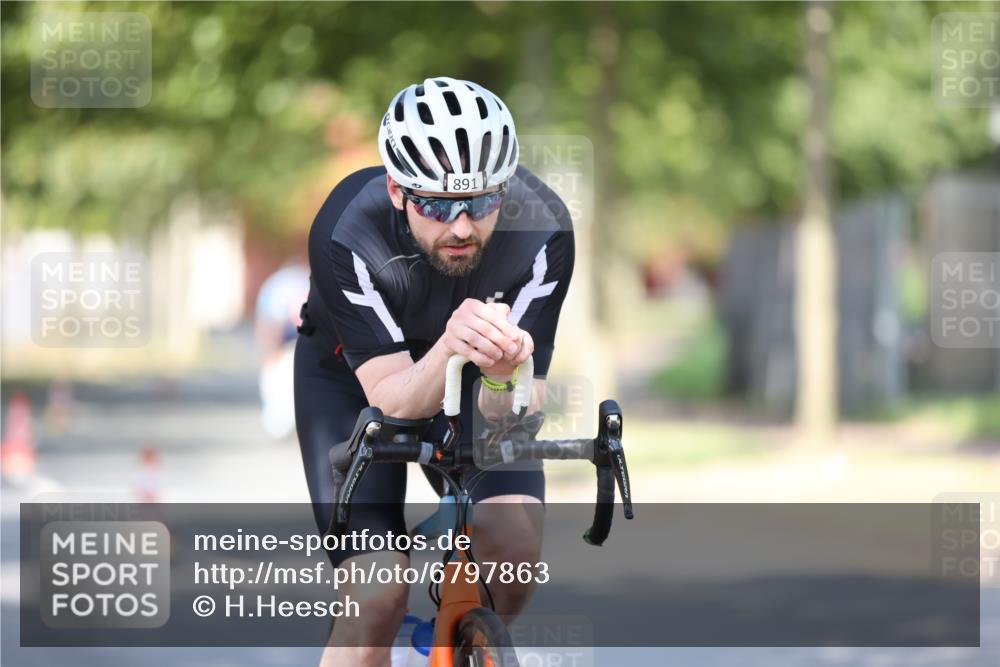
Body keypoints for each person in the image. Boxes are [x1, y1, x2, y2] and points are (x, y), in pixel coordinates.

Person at [294, 76, 574, 666]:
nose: (463, 226)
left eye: (482, 201)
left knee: (515, 548)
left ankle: (460, 635)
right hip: (355, 381)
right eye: (437, 204)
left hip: (473, 377)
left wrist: (504, 378)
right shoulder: (348, 229)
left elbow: (518, 408)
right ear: (397, 190)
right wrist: (449, 346)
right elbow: (392, 401)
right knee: (375, 599)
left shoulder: (543, 229)